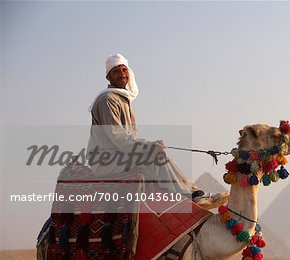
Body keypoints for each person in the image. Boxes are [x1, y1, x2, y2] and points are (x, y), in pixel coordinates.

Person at [87, 53, 225, 203]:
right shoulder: (108, 100)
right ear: (108, 77)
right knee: (156, 158)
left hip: (120, 155)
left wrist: (150, 145)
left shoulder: (122, 99)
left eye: (124, 70)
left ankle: (192, 192)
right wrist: (148, 147)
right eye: (116, 71)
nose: (122, 74)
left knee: (158, 155)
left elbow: (129, 138)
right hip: (106, 159)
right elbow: (118, 138)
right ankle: (190, 195)